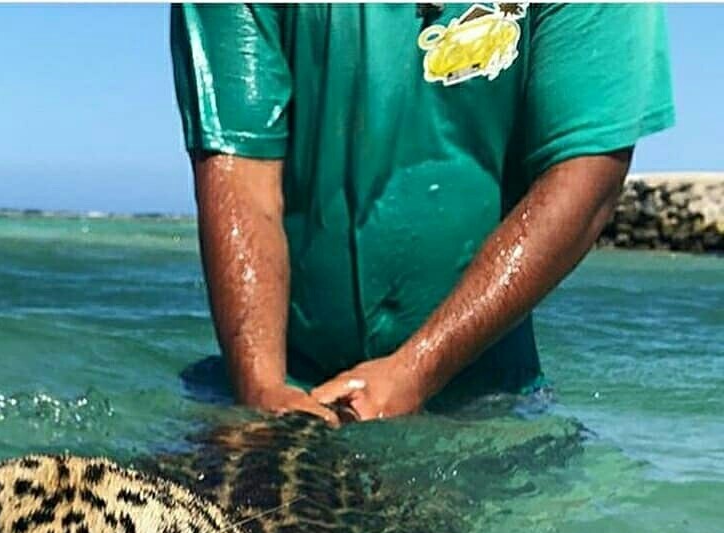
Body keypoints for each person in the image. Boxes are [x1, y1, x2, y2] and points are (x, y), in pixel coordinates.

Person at [171, 3, 674, 424]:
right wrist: (261, 390)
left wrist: (416, 370)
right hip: (280, 393)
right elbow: (240, 171)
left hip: (485, 401)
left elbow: (586, 177)